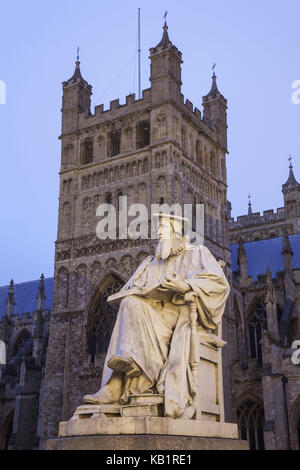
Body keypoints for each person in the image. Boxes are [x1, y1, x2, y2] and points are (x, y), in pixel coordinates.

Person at [83, 214, 230, 419]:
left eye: (164, 230)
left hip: (180, 315)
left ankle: (125, 380)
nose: (159, 234)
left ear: (176, 232)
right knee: (130, 302)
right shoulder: (150, 262)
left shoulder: (197, 254)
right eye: (159, 231)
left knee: (136, 308)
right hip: (151, 313)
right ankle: (117, 381)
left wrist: (186, 286)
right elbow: (133, 287)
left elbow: (219, 285)